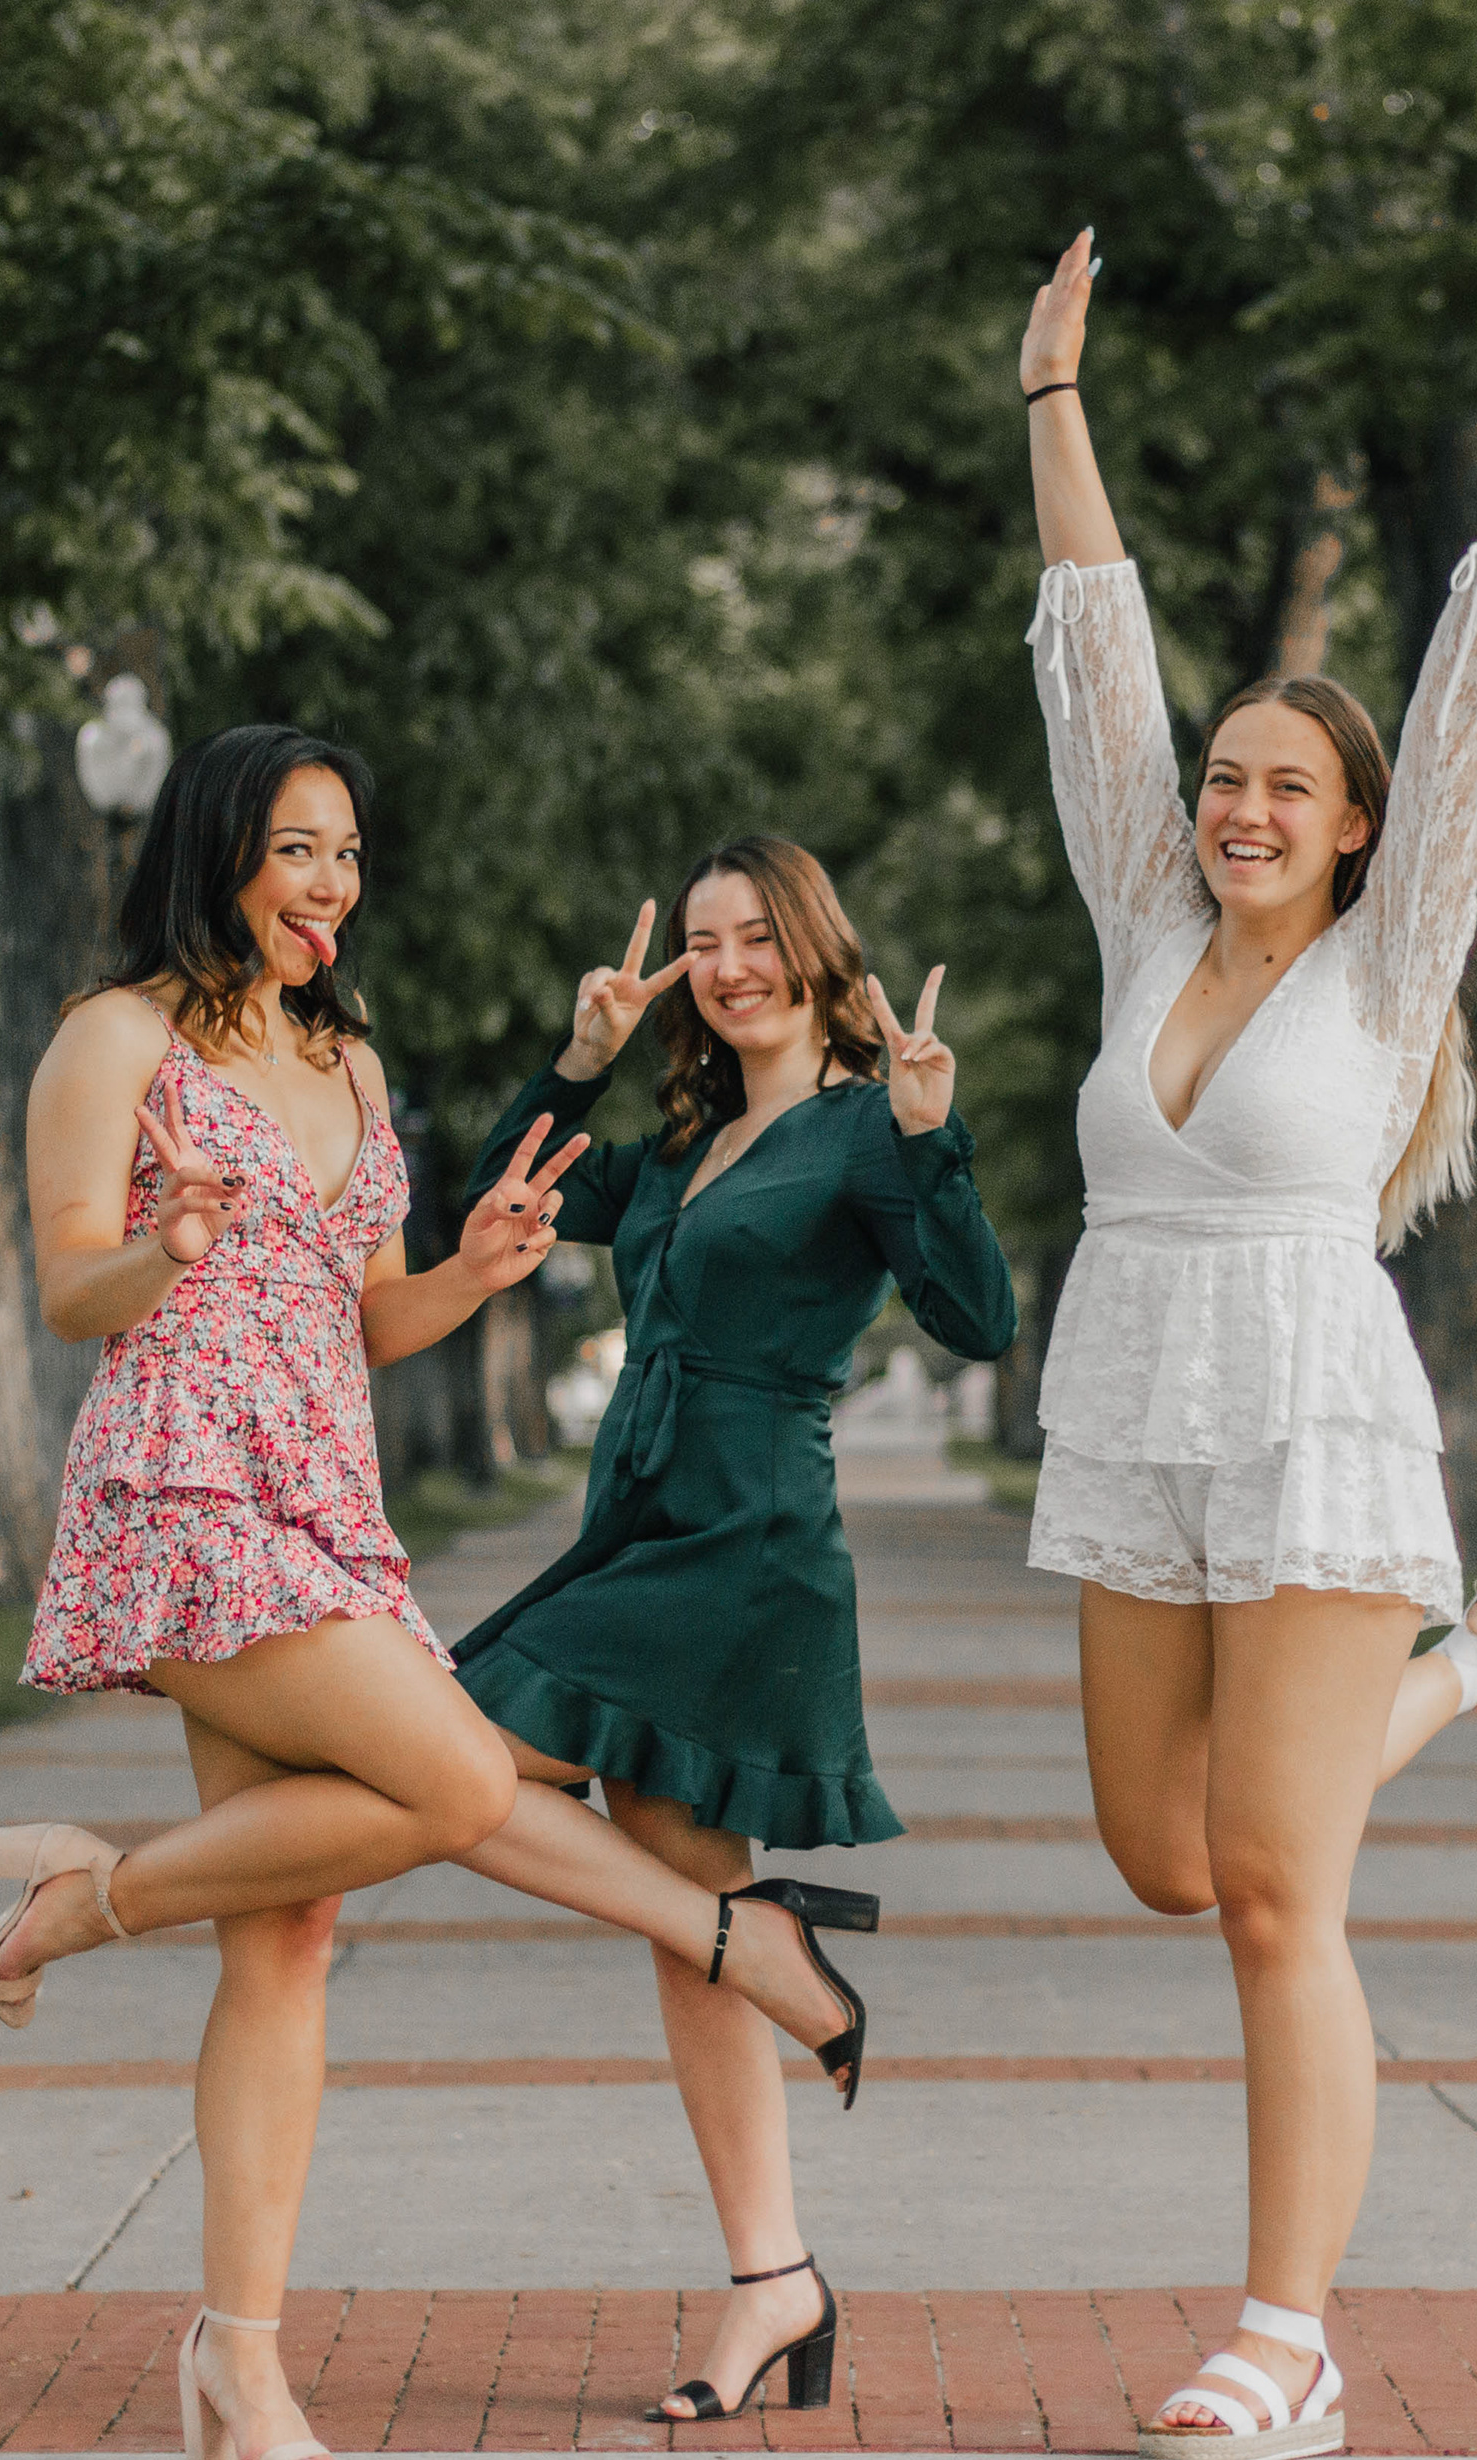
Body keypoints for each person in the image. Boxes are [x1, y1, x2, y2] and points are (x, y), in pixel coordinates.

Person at [1013, 231, 1477, 2460]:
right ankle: (1469, 1669)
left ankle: (1286, 2342)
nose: (1245, 807)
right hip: (1135, 1411)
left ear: (1359, 828)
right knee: (1163, 1853)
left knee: (1277, 1896)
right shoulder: (1143, 923)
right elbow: (1096, 653)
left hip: (1306, 1417)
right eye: (1227, 779)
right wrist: (1053, 401)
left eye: (1291, 788)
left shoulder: (1388, 965)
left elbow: (1473, 712)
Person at [0, 722, 589, 2460]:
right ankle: (86, 1906)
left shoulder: (350, 1059)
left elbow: (362, 1318)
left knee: (292, 1934)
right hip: (184, 1489)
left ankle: (237, 2364)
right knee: (459, 1779)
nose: (334, 884)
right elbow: (68, 1291)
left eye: (350, 854)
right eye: (301, 848)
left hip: (324, 1498)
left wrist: (473, 1274)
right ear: (223, 851)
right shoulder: (117, 1039)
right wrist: (164, 1243)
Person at [444, 839, 1016, 2423]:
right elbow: (495, 1199)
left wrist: (934, 1137)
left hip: (747, 1547)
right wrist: (579, 1060)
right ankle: (776, 2277)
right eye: (704, 943)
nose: (729, 965)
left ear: (815, 948)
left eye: (756, 934)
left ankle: (752, 1946)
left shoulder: (865, 1129)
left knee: (440, 1762)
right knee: (681, 1908)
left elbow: (977, 1318)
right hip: (641, 1527)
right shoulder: (685, 1142)